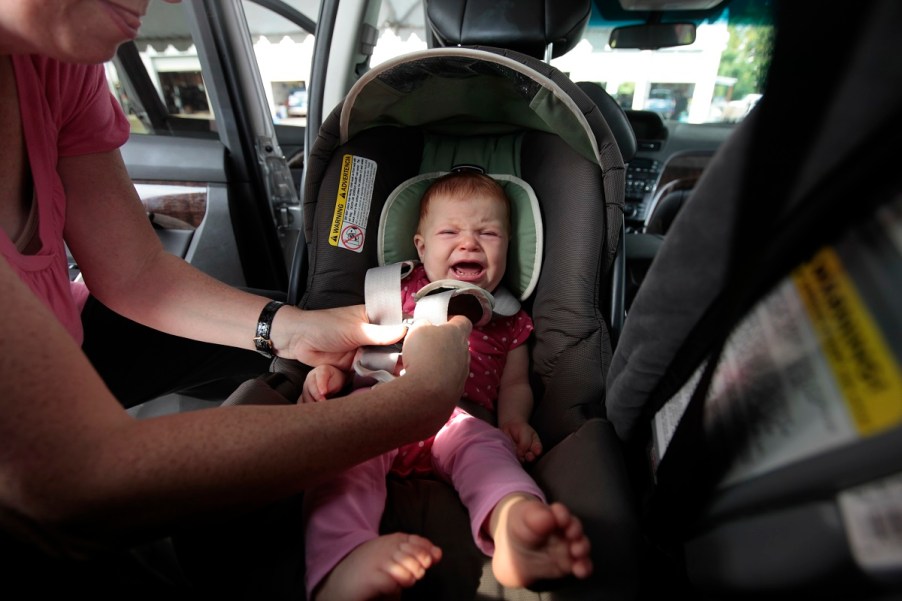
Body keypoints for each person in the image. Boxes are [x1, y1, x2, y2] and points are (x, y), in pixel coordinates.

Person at [0, 0, 473, 593]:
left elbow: (135, 273)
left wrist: (291, 326)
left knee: (285, 351)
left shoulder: (57, 65)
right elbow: (72, 480)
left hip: (66, 333)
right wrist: (423, 400)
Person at [300, 171, 593, 600]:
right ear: (420, 246)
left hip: (457, 422)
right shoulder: (395, 293)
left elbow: (515, 384)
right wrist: (330, 374)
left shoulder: (510, 320)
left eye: (488, 233)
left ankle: (513, 522)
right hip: (381, 403)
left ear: (508, 248)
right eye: (450, 231)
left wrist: (514, 420)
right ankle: (341, 561)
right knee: (344, 459)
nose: (469, 242)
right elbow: (350, 344)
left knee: (488, 452)